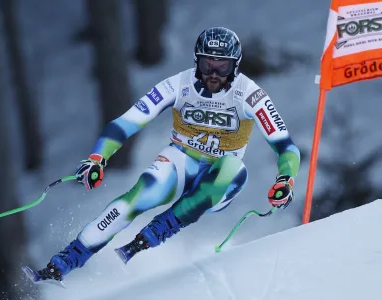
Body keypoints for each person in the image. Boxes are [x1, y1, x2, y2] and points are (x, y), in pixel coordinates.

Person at [22, 26, 300, 286]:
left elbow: (285, 146)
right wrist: (98, 157)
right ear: (196, 61)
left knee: (233, 168)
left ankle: (157, 232)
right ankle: (62, 263)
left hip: (220, 178)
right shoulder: (178, 84)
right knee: (137, 198)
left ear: (235, 66)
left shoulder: (249, 94)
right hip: (182, 159)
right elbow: (128, 121)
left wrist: (286, 179)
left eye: (222, 67)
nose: (213, 74)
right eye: (207, 65)